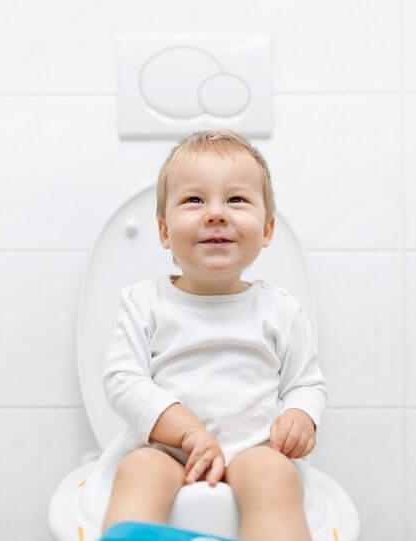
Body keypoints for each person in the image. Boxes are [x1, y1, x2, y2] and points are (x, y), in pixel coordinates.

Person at [99, 129, 327, 541]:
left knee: (276, 476)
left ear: (267, 229)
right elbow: (123, 381)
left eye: (236, 199)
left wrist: (300, 416)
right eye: (194, 200)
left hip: (254, 451)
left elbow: (305, 383)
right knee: (137, 469)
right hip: (167, 451)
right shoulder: (144, 302)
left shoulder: (281, 310)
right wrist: (186, 431)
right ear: (165, 232)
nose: (216, 213)